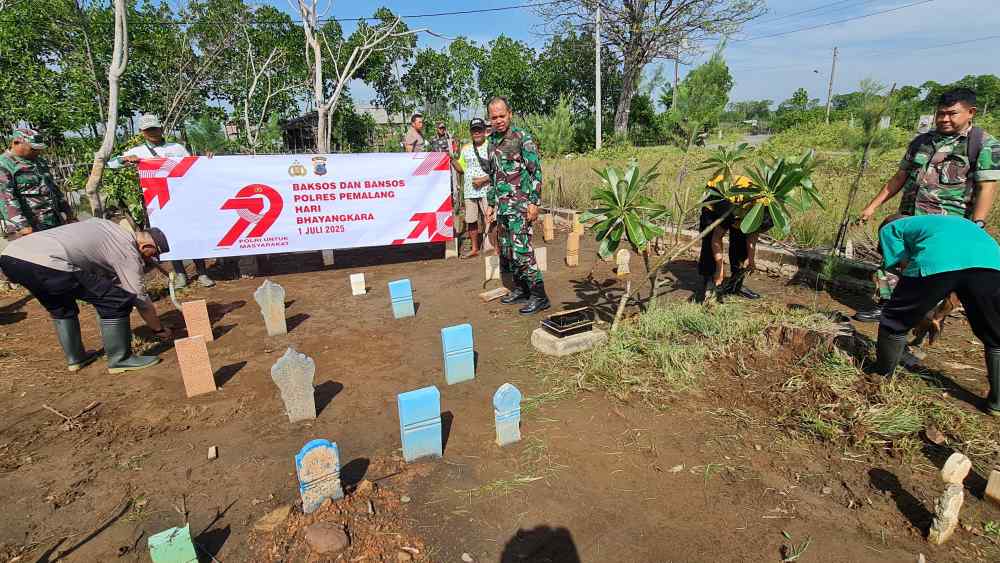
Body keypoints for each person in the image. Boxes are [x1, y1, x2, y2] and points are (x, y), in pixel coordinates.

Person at [854, 88, 999, 322]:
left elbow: (987, 187)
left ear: (970, 112)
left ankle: (928, 317)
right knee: (893, 259)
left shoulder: (982, 144)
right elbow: (899, 177)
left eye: (952, 114)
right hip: (910, 217)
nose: (944, 119)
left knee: (935, 270)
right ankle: (888, 306)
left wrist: (977, 225)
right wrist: (872, 206)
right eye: (940, 114)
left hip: (945, 225)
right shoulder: (922, 142)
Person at [0, 218, 175, 374]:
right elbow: (139, 297)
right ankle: (120, 359)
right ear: (147, 247)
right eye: (154, 255)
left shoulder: (106, 226)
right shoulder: (126, 249)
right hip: (47, 261)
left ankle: (76, 359)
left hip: (12, 257)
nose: (151, 260)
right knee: (117, 301)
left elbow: (96, 268)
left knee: (62, 306)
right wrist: (158, 330)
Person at [869, 214, 1000, 416]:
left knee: (894, 320)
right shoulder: (943, 223)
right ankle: (997, 404)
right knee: (995, 335)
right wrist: (936, 315)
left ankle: (880, 375)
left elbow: (907, 268)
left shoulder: (891, 227)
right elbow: (956, 288)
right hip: (991, 264)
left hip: (939, 258)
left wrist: (916, 309)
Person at [108, 114, 216, 289]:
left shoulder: (177, 148)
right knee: (168, 237)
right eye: (148, 130)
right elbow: (111, 164)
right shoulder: (139, 151)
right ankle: (180, 274)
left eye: (155, 128)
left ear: (161, 128)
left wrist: (206, 159)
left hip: (182, 199)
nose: (153, 132)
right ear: (143, 132)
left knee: (191, 235)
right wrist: (125, 159)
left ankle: (202, 272)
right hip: (159, 202)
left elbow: (191, 166)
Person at [484, 96, 550, 315]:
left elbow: (536, 172)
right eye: (494, 117)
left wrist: (534, 203)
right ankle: (521, 289)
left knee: (522, 251)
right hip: (503, 209)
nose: (499, 120)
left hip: (520, 206)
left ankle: (539, 296)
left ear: (509, 114)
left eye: (502, 116)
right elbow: (493, 176)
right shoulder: (491, 141)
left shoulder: (523, 138)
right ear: (490, 119)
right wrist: (492, 203)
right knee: (508, 249)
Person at [697, 175, 772, 301]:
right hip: (717, 197)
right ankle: (710, 280)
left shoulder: (761, 208)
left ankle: (735, 285)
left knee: (740, 243)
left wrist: (751, 261)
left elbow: (751, 239)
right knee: (709, 238)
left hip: (741, 208)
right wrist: (719, 269)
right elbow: (717, 238)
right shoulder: (728, 210)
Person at [0, 128, 76, 237]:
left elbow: (53, 188)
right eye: (33, 148)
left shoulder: (39, 162)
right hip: (29, 227)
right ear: (16, 143)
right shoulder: (4, 164)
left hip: (53, 220)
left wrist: (68, 212)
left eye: (39, 149)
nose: (38, 152)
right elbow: (6, 199)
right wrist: (22, 226)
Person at [454, 118, 493, 258]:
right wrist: (451, 158)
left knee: (490, 219)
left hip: (487, 189)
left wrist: (483, 180)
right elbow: (461, 169)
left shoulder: (491, 147)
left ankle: (492, 246)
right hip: (470, 191)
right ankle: (475, 248)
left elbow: (498, 170)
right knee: (471, 220)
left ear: (484, 131)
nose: (477, 133)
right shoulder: (466, 149)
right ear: (471, 132)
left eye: (479, 130)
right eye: (474, 130)